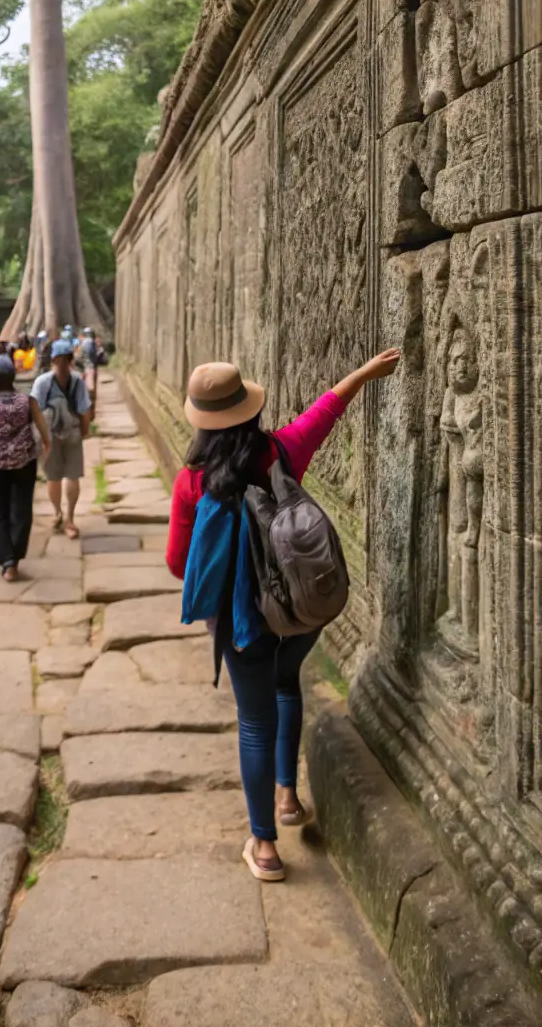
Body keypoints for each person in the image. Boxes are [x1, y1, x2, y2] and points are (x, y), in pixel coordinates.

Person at [165, 349, 402, 883]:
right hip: (298, 609)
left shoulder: (192, 482)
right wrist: (365, 371)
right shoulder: (279, 451)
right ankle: (288, 795)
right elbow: (325, 411)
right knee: (287, 683)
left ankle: (265, 847)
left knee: (254, 722)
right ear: (247, 410)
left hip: (241, 624)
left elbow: (179, 563)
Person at [0, 354, 51, 581]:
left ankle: (7, 561)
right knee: (22, 508)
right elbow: (40, 421)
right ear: (13, 377)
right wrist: (46, 441)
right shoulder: (26, 400)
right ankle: (15, 554)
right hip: (23, 461)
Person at [31, 338, 92, 539]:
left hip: (52, 433)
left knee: (56, 476)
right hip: (64, 432)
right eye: (62, 360)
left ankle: (63, 515)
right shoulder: (76, 381)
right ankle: (65, 517)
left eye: (64, 360)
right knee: (64, 476)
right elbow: (84, 411)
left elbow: (35, 410)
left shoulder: (44, 382)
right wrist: (84, 432)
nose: (63, 364)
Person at [78, 327, 100, 410]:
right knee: (92, 389)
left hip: (87, 368)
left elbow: (80, 357)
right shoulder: (93, 343)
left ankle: (89, 409)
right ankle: (91, 408)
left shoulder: (85, 343)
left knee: (89, 389)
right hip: (93, 368)